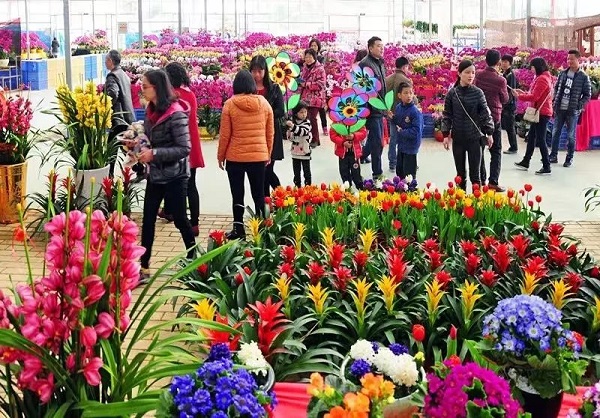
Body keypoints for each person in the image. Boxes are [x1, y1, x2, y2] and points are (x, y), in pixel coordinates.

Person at [136, 69, 196, 280]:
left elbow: (184, 148)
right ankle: (143, 267)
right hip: (156, 174)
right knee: (148, 219)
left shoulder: (176, 112)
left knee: (180, 218)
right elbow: (147, 136)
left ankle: (193, 260)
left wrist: (155, 154)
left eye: (145, 87)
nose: (142, 90)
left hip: (175, 175)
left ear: (157, 88)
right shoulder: (151, 110)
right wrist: (136, 143)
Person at [218, 69, 274, 240]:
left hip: (235, 158)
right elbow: (270, 132)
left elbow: (225, 134)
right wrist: (268, 153)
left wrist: (221, 156)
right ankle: (262, 229)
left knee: (237, 194)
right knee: (258, 194)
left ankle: (239, 229)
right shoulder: (264, 104)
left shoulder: (230, 104)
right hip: (258, 157)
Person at [161, 62, 205, 237]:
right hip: (191, 145)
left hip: (174, 146)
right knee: (191, 185)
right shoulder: (191, 95)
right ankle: (194, 223)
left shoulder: (169, 97)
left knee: (171, 182)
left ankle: (172, 212)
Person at [441, 60, 494, 191]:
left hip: (474, 139)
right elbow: (447, 115)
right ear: (459, 74)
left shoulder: (478, 93)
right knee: (460, 175)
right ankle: (460, 204)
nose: (471, 75)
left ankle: (476, 205)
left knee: (475, 175)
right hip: (458, 138)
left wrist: (489, 132)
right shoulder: (452, 94)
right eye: (467, 72)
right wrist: (445, 135)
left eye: (473, 73)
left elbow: (485, 114)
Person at [249, 55, 285, 197]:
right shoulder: (248, 88)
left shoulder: (274, 88)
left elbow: (280, 111)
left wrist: (264, 114)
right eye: (254, 71)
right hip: (254, 135)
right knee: (260, 172)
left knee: (267, 170)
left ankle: (282, 196)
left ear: (265, 71)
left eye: (260, 71)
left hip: (271, 133)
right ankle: (266, 204)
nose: (257, 74)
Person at [549, 49, 592, 167]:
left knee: (571, 136)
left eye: (572, 59)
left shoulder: (583, 77)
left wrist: (579, 105)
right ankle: (553, 156)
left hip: (572, 110)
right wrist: (554, 101)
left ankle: (569, 158)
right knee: (555, 132)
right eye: (568, 59)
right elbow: (556, 87)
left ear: (578, 59)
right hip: (560, 109)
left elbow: (588, 95)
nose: (569, 61)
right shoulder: (563, 73)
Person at [474, 49, 509, 192]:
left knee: (480, 149)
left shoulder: (478, 74)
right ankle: (493, 181)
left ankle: (481, 179)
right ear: (499, 62)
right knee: (496, 150)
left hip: (478, 116)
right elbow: (505, 99)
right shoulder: (501, 80)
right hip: (494, 117)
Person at [513, 57, 554, 175]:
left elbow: (535, 97)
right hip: (541, 112)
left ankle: (546, 166)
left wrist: (520, 97)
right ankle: (526, 161)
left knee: (540, 139)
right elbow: (535, 94)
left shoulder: (542, 79)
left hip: (542, 113)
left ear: (537, 67)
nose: (531, 69)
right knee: (531, 137)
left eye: (532, 67)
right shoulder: (545, 77)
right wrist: (523, 93)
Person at [359, 36, 389, 180]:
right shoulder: (365, 64)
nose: (381, 48)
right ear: (370, 48)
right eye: (378, 46)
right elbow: (363, 89)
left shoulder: (380, 63)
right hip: (371, 109)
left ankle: (362, 155)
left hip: (379, 108)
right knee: (378, 142)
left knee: (374, 139)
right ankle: (377, 173)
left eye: (382, 46)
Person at [105, 49, 135, 176]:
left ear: (110, 61)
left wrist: (105, 102)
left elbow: (113, 93)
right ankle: (140, 170)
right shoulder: (123, 73)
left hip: (117, 117)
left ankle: (109, 175)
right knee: (126, 146)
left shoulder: (112, 76)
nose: (105, 62)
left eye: (106, 60)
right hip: (127, 115)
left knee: (112, 147)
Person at [385, 56, 412, 173]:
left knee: (393, 138)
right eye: (407, 67)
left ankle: (392, 163)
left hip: (391, 113)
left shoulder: (387, 79)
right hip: (403, 112)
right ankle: (407, 162)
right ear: (404, 67)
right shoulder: (406, 80)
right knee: (406, 138)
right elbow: (410, 97)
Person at [392, 82, 423, 180]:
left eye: (411, 92)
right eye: (405, 93)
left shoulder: (415, 112)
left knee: (409, 176)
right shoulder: (398, 108)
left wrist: (402, 132)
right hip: (401, 145)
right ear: (399, 95)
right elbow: (398, 121)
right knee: (400, 171)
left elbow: (416, 131)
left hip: (411, 147)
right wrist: (392, 118)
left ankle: (410, 193)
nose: (409, 95)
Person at [299, 48, 326, 148]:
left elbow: (321, 84)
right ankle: (309, 138)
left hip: (316, 98)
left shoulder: (320, 69)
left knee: (312, 118)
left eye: (310, 57)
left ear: (314, 57)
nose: (308, 59)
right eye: (306, 57)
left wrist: (306, 84)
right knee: (306, 118)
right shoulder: (305, 67)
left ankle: (315, 139)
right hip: (306, 97)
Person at [331, 125, 367, 189]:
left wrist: (354, 136)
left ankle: (361, 191)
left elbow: (363, 133)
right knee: (344, 174)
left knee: (356, 175)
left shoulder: (357, 120)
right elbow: (333, 135)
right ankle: (348, 192)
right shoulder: (337, 121)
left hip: (354, 154)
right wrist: (342, 142)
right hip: (342, 155)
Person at [287, 101, 313, 188]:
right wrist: (288, 131)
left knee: (307, 172)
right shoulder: (293, 123)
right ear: (295, 113)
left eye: (305, 112)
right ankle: (297, 186)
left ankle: (308, 187)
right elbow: (291, 138)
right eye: (301, 112)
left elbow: (302, 132)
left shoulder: (307, 123)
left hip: (305, 152)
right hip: (295, 153)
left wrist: (293, 127)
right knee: (296, 172)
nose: (304, 114)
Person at [309, 38, 329, 137]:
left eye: (315, 46)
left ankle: (324, 127)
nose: (313, 47)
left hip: (319, 89)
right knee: (312, 114)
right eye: (312, 45)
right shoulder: (306, 58)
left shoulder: (320, 59)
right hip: (309, 91)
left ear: (318, 47)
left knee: (321, 109)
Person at [501, 54, 519, 154]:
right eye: (502, 61)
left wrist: (506, 102)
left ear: (510, 63)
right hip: (507, 104)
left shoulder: (510, 75)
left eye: (506, 62)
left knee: (510, 126)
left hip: (509, 104)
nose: (503, 63)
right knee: (508, 126)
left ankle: (513, 147)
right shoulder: (505, 74)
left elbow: (511, 91)